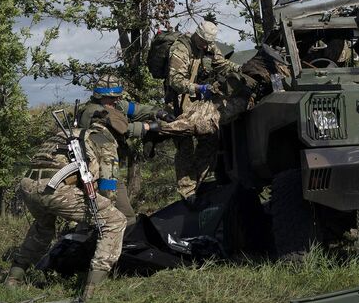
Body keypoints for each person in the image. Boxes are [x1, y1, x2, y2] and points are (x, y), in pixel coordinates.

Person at [4, 108, 129, 302]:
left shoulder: (66, 133)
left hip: (28, 185)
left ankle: (13, 278)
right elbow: (109, 184)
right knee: (114, 220)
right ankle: (91, 290)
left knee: (42, 228)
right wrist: (106, 207)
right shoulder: (104, 139)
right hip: (55, 188)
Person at [163, 20, 253, 201]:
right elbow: (175, 81)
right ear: (197, 35)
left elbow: (222, 64)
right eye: (203, 41)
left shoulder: (209, 47)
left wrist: (242, 69)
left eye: (208, 42)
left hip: (199, 104)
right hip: (179, 103)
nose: (205, 45)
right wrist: (199, 88)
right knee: (185, 147)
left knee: (210, 139)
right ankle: (187, 192)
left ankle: (200, 182)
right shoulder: (181, 49)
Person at [78, 74, 174, 226]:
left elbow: (136, 110)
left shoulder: (115, 105)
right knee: (119, 217)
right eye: (112, 98)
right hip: (97, 172)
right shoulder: (94, 112)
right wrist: (147, 127)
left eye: (118, 96)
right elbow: (121, 128)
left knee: (120, 217)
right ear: (100, 96)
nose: (116, 100)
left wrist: (157, 112)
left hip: (112, 169)